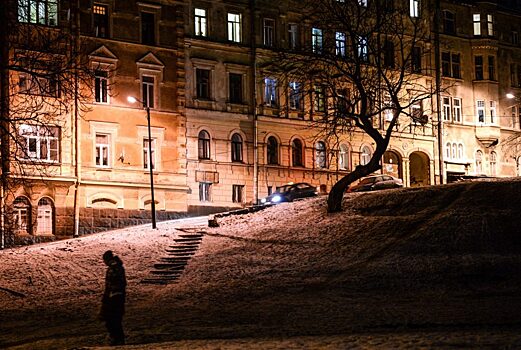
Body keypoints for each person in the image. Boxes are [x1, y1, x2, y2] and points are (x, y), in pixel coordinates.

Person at [99, 250, 126, 346]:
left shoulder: (114, 268)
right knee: (115, 319)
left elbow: (111, 284)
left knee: (112, 319)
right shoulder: (117, 267)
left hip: (114, 296)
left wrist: (106, 298)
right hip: (118, 296)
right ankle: (117, 338)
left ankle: (116, 338)